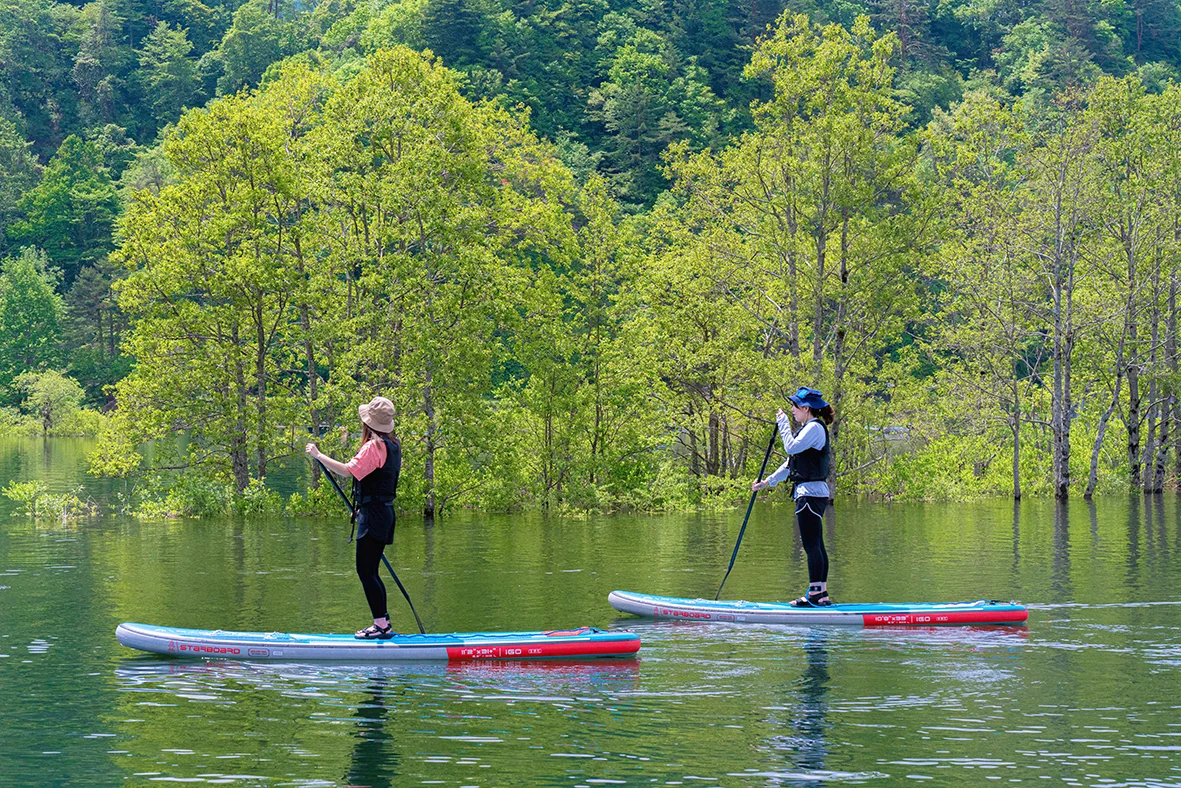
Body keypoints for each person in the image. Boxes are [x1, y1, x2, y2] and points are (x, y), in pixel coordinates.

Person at [306, 396, 402, 639]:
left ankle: (381, 626)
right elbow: (377, 483)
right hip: (381, 513)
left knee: (366, 571)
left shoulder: (374, 445)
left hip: (376, 516)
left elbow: (349, 471)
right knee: (370, 571)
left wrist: (318, 455)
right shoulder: (393, 444)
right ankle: (383, 623)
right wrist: (363, 507)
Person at [751, 386, 834, 607]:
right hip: (811, 493)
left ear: (806, 408)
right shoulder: (810, 429)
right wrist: (767, 482)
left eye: (794, 406)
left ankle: (815, 594)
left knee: (811, 545)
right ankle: (821, 594)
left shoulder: (814, 428)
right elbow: (791, 464)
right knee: (816, 544)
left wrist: (783, 424)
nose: (792, 410)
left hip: (810, 494)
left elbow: (790, 447)